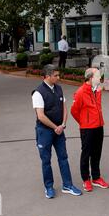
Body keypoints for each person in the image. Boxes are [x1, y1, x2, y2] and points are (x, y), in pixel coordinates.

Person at [32, 65, 82, 198]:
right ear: (47, 76)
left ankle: (68, 185)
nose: (58, 78)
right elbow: (41, 116)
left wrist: (63, 124)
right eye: (56, 75)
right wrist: (55, 127)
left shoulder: (59, 88)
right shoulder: (38, 93)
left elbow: (64, 107)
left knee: (63, 158)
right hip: (45, 131)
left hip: (59, 130)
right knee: (46, 160)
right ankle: (48, 187)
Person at [71, 68, 109, 192]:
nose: (100, 78)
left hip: (99, 126)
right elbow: (74, 111)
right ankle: (86, 179)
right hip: (87, 128)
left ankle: (96, 177)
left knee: (97, 153)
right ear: (90, 78)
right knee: (86, 154)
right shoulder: (80, 92)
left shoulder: (98, 90)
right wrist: (84, 122)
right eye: (98, 76)